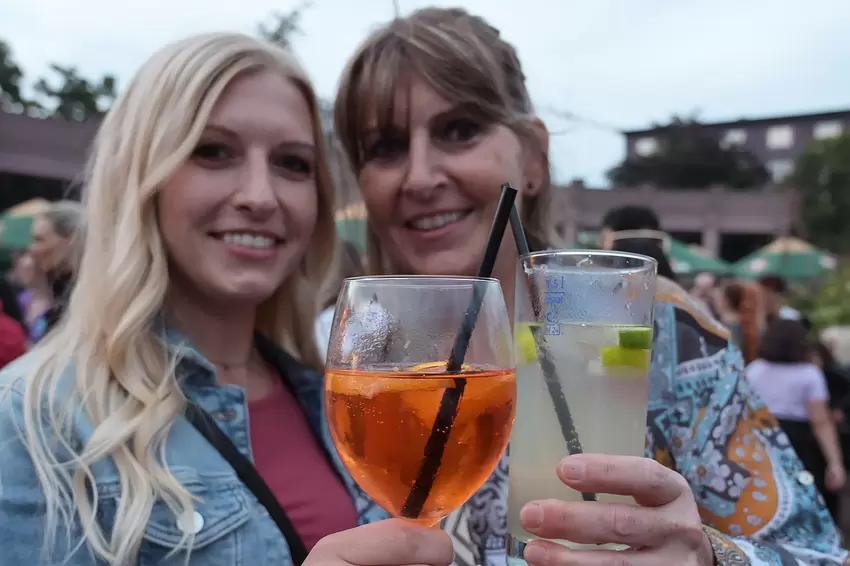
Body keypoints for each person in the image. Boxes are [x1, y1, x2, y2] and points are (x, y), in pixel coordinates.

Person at [333, 12, 850, 561]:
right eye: (385, 147)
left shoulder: (655, 328)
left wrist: (708, 557)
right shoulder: (356, 351)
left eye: (459, 130)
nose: (419, 176)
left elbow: (817, 552)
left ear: (533, 156)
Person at [0, 32, 455, 566]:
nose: (259, 196)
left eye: (292, 163)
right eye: (214, 152)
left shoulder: (334, 398)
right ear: (141, 178)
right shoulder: (33, 421)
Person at [747, 320, 846, 521]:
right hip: (799, 444)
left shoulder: (755, 370)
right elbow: (821, 421)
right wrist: (835, 462)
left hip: (761, 440)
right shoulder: (809, 375)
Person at [29, 200, 84, 335]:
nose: (32, 249)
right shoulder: (57, 288)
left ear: (72, 239)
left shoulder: (89, 295)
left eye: (39, 240)